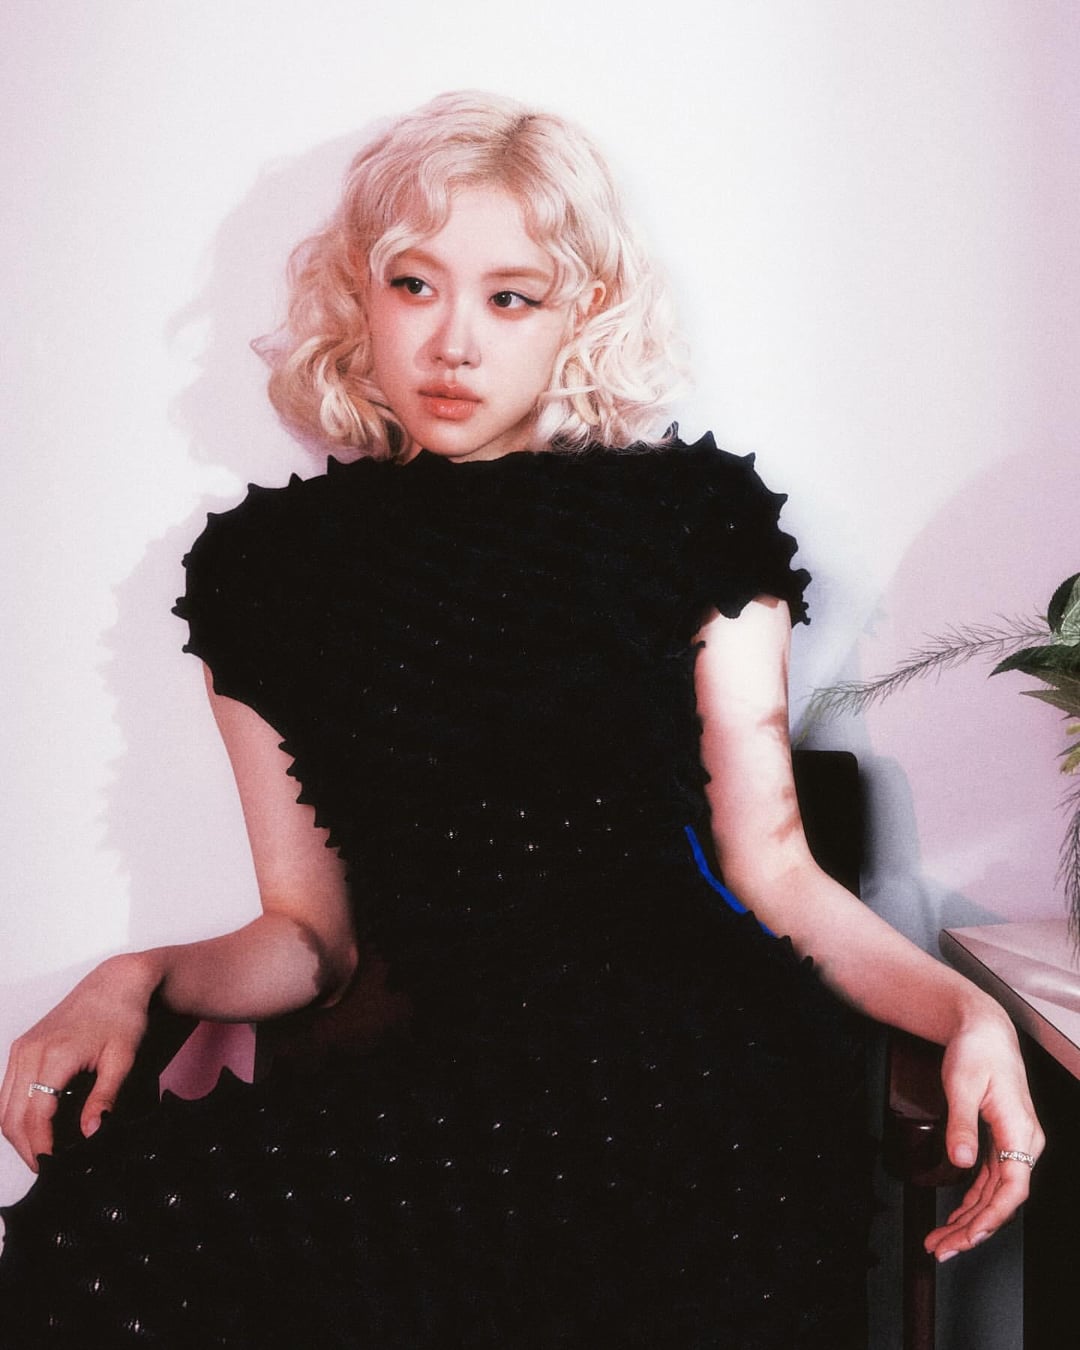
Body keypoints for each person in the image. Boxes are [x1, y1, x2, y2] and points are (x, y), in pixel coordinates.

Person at [0, 91, 1041, 1348]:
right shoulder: (265, 570)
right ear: (360, 292)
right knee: (103, 1229)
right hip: (458, 1079)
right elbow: (310, 938)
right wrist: (136, 973)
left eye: (511, 297)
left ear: (578, 314)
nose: (453, 343)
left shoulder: (687, 519)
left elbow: (776, 873)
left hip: (689, 1068)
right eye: (415, 285)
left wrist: (969, 1014)